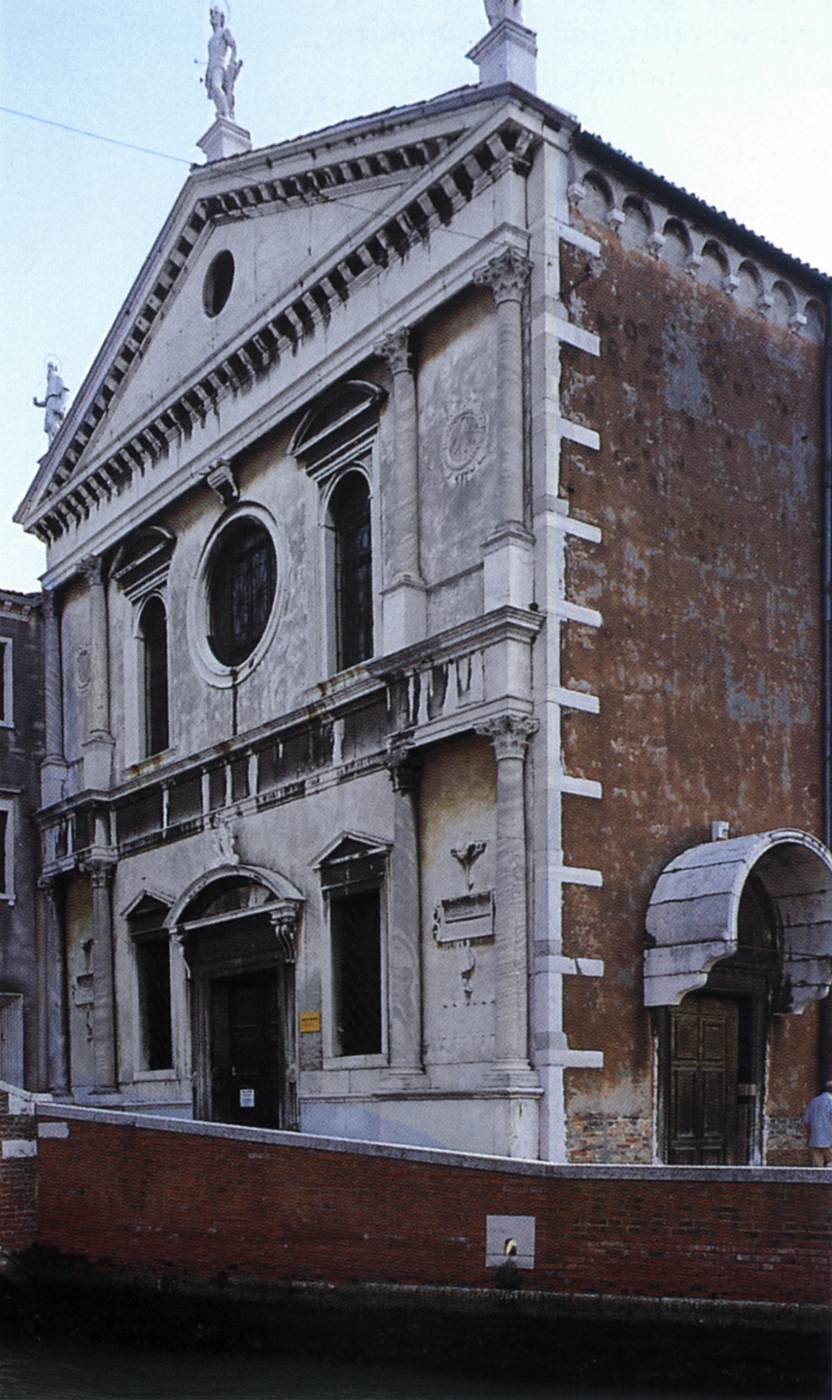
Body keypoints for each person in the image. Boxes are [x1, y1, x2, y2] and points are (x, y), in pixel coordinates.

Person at [803, 1080, 832, 1166]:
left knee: (817, 1168)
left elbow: (807, 1122)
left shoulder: (813, 1102)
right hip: (829, 1139)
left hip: (815, 1139)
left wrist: (808, 1137)